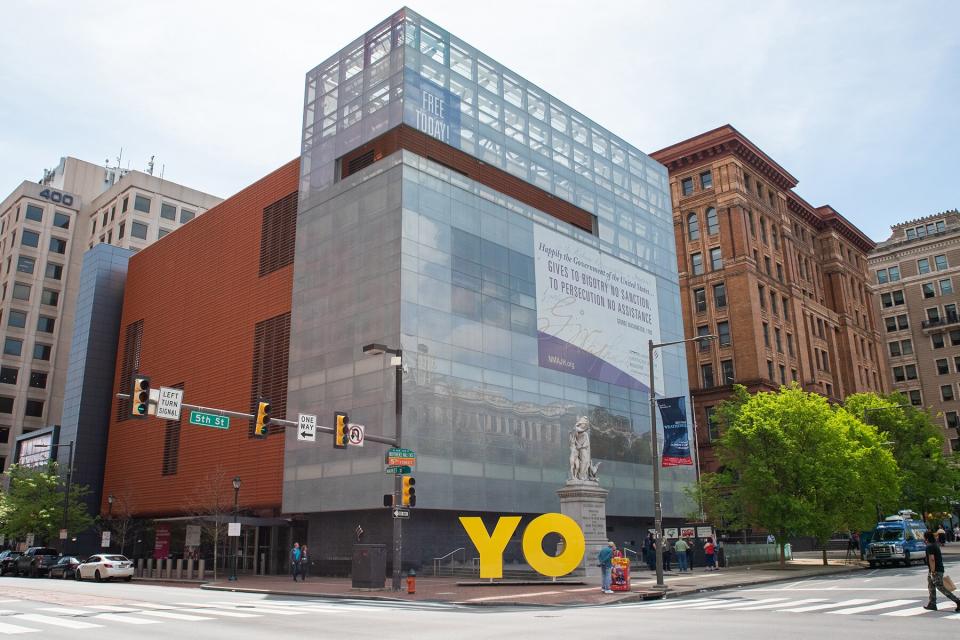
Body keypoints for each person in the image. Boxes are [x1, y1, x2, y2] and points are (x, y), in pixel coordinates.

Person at [924, 530, 960, 611]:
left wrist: (932, 571)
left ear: (926, 538)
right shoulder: (935, 545)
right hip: (936, 569)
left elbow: (932, 559)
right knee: (931, 585)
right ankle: (932, 604)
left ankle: (957, 601)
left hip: (935, 570)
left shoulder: (929, 546)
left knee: (940, 587)